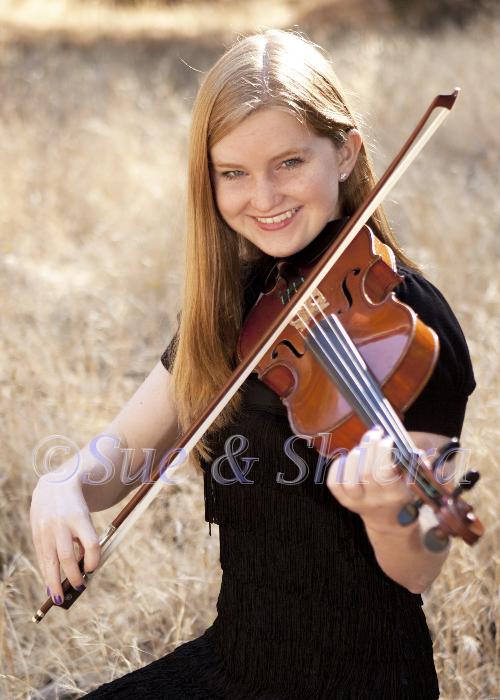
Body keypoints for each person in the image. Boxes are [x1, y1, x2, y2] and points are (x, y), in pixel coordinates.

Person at [30, 30, 476, 699]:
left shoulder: (410, 326)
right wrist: (62, 484)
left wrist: (390, 514)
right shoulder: (241, 307)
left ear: (345, 153)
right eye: (233, 173)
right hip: (234, 665)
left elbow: (417, 570)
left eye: (289, 162)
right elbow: (124, 455)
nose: (263, 197)